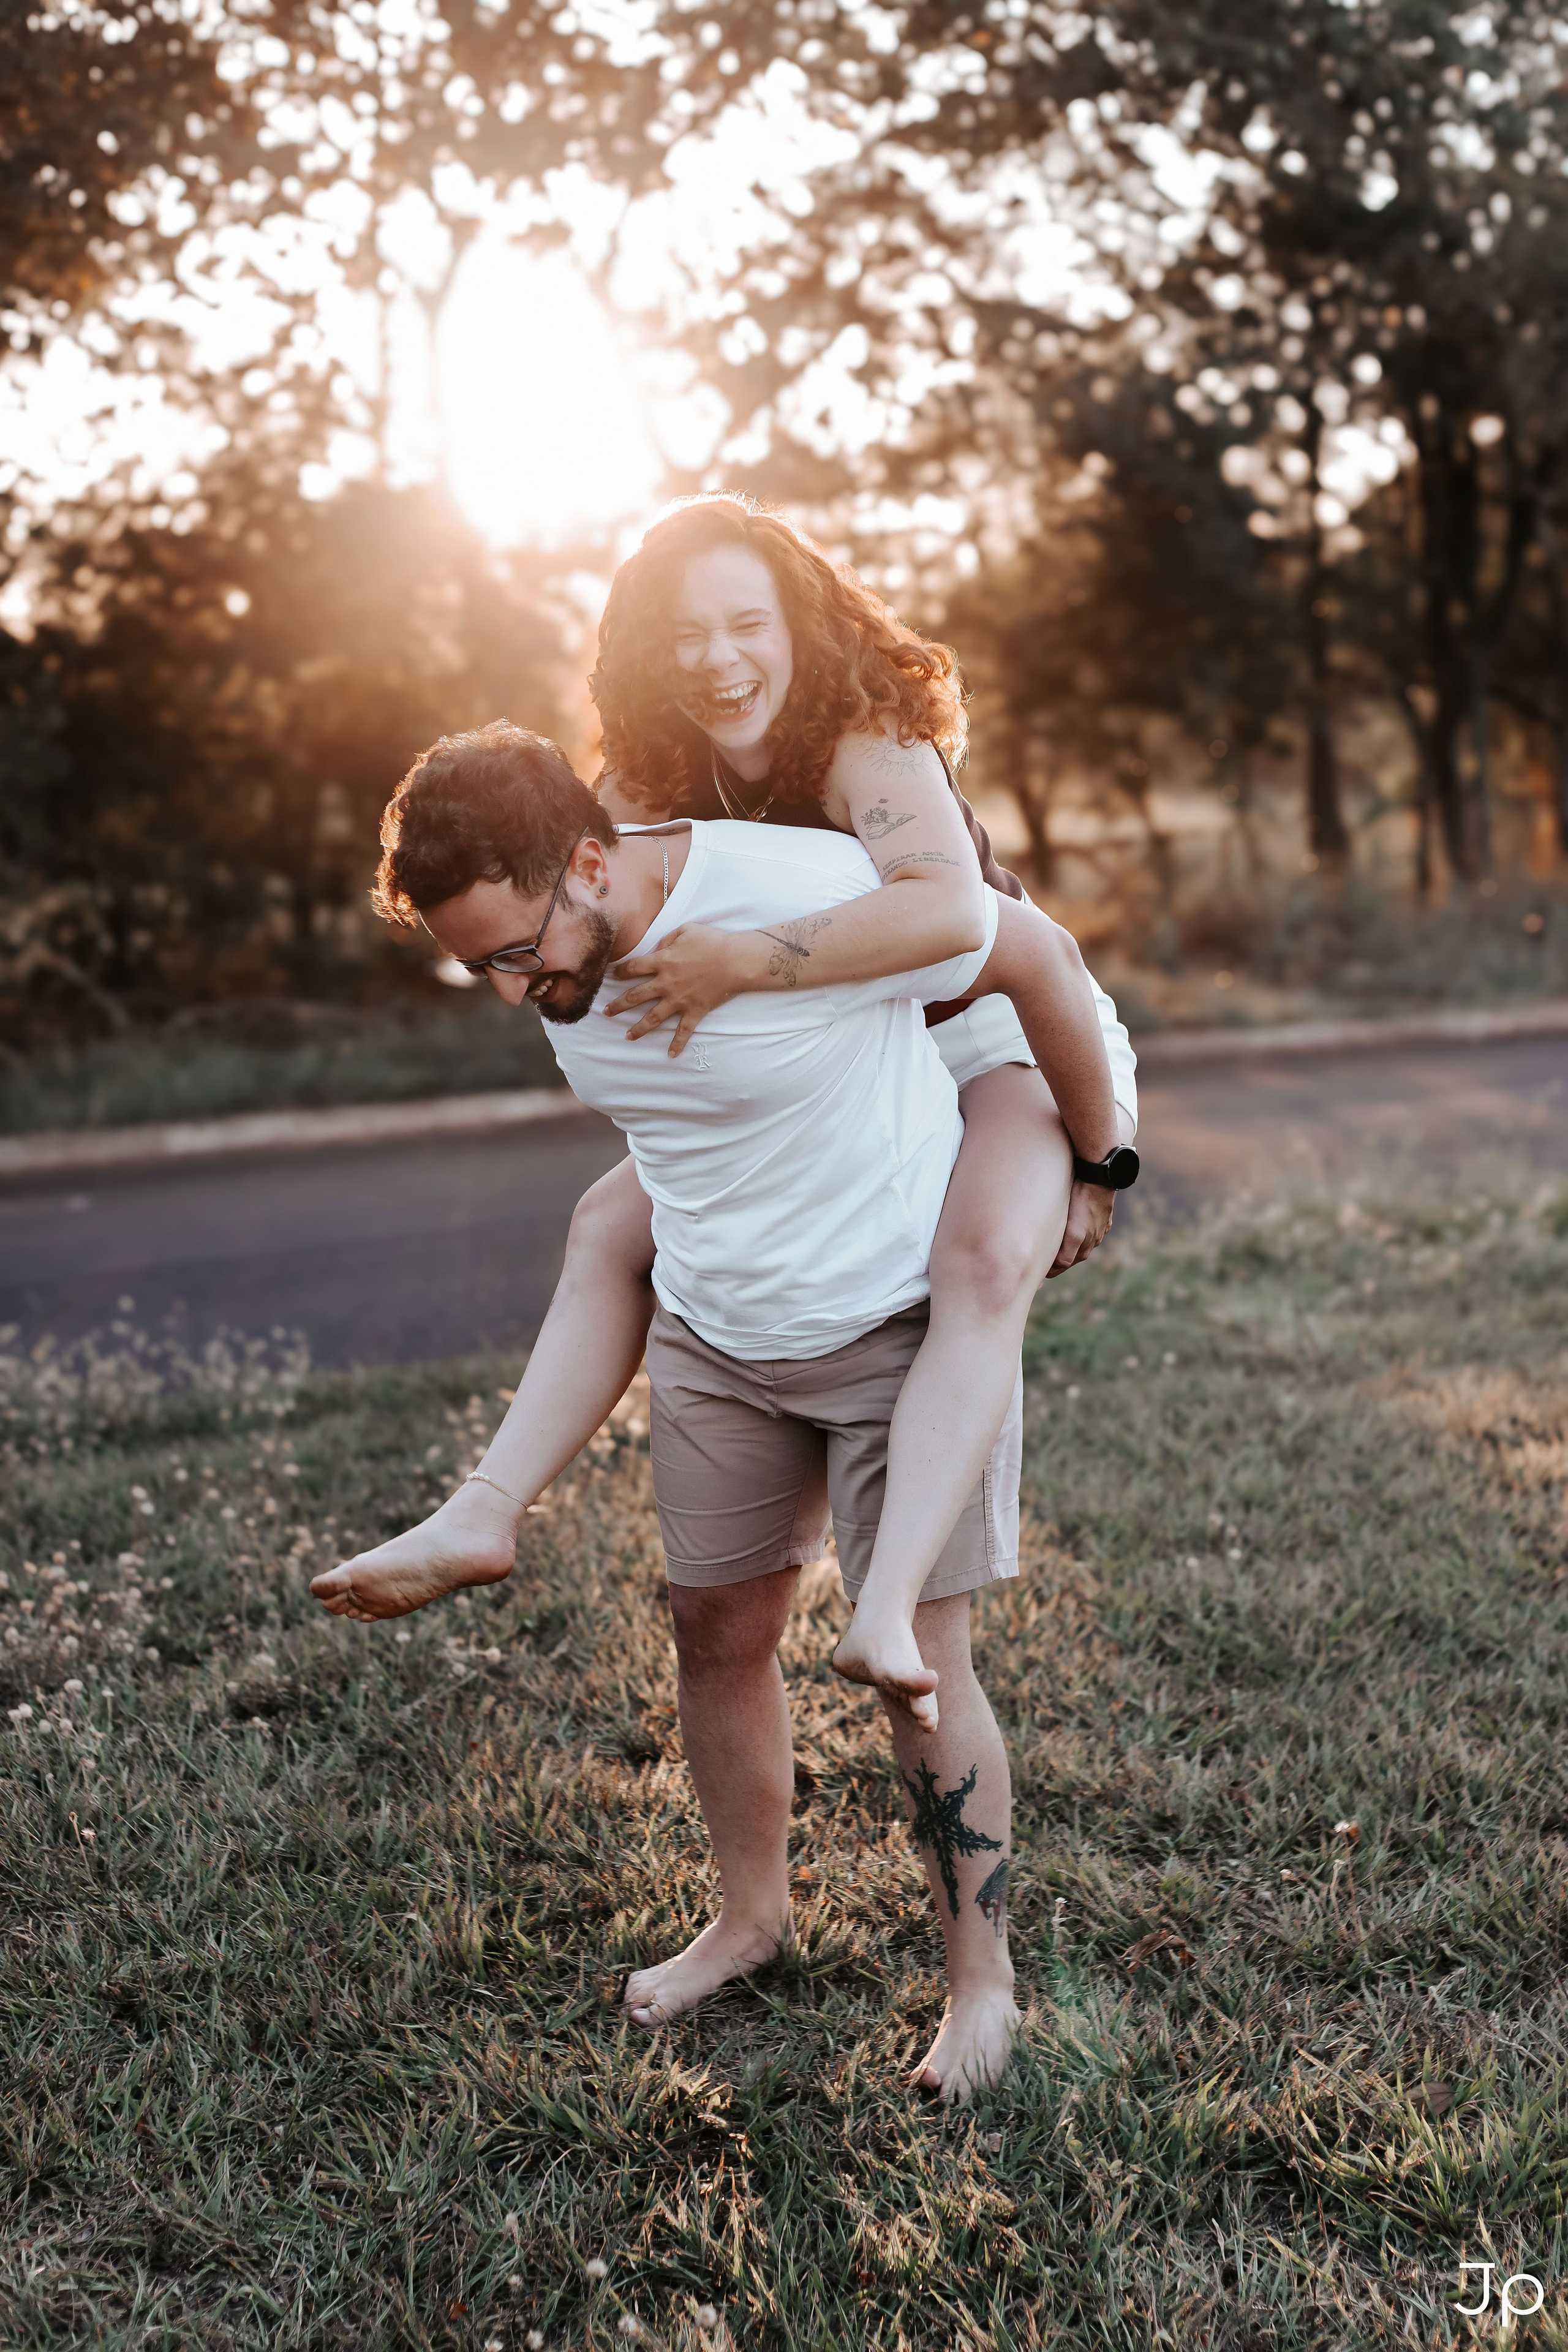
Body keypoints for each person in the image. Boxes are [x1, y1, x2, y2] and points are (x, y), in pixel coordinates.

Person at [314, 722, 1125, 2098]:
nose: (516, 989)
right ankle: (750, 1920)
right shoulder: (562, 955)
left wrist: (1095, 1164)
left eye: (521, 952)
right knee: (715, 1630)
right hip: (716, 1330)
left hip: (891, 1324)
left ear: (586, 862)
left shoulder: (788, 893)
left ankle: (979, 1989)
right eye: (479, 969)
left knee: (922, 1670)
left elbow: (1031, 964)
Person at [316, 496, 1137, 1730]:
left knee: (976, 1261)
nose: (715, 659)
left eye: (745, 622)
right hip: (856, 1061)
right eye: (682, 635)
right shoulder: (645, 775)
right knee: (608, 1227)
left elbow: (978, 930)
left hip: (992, 1032)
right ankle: (484, 1510)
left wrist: (1096, 1163)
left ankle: (889, 1601)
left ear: (798, 624)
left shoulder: (862, 742)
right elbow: (594, 898)